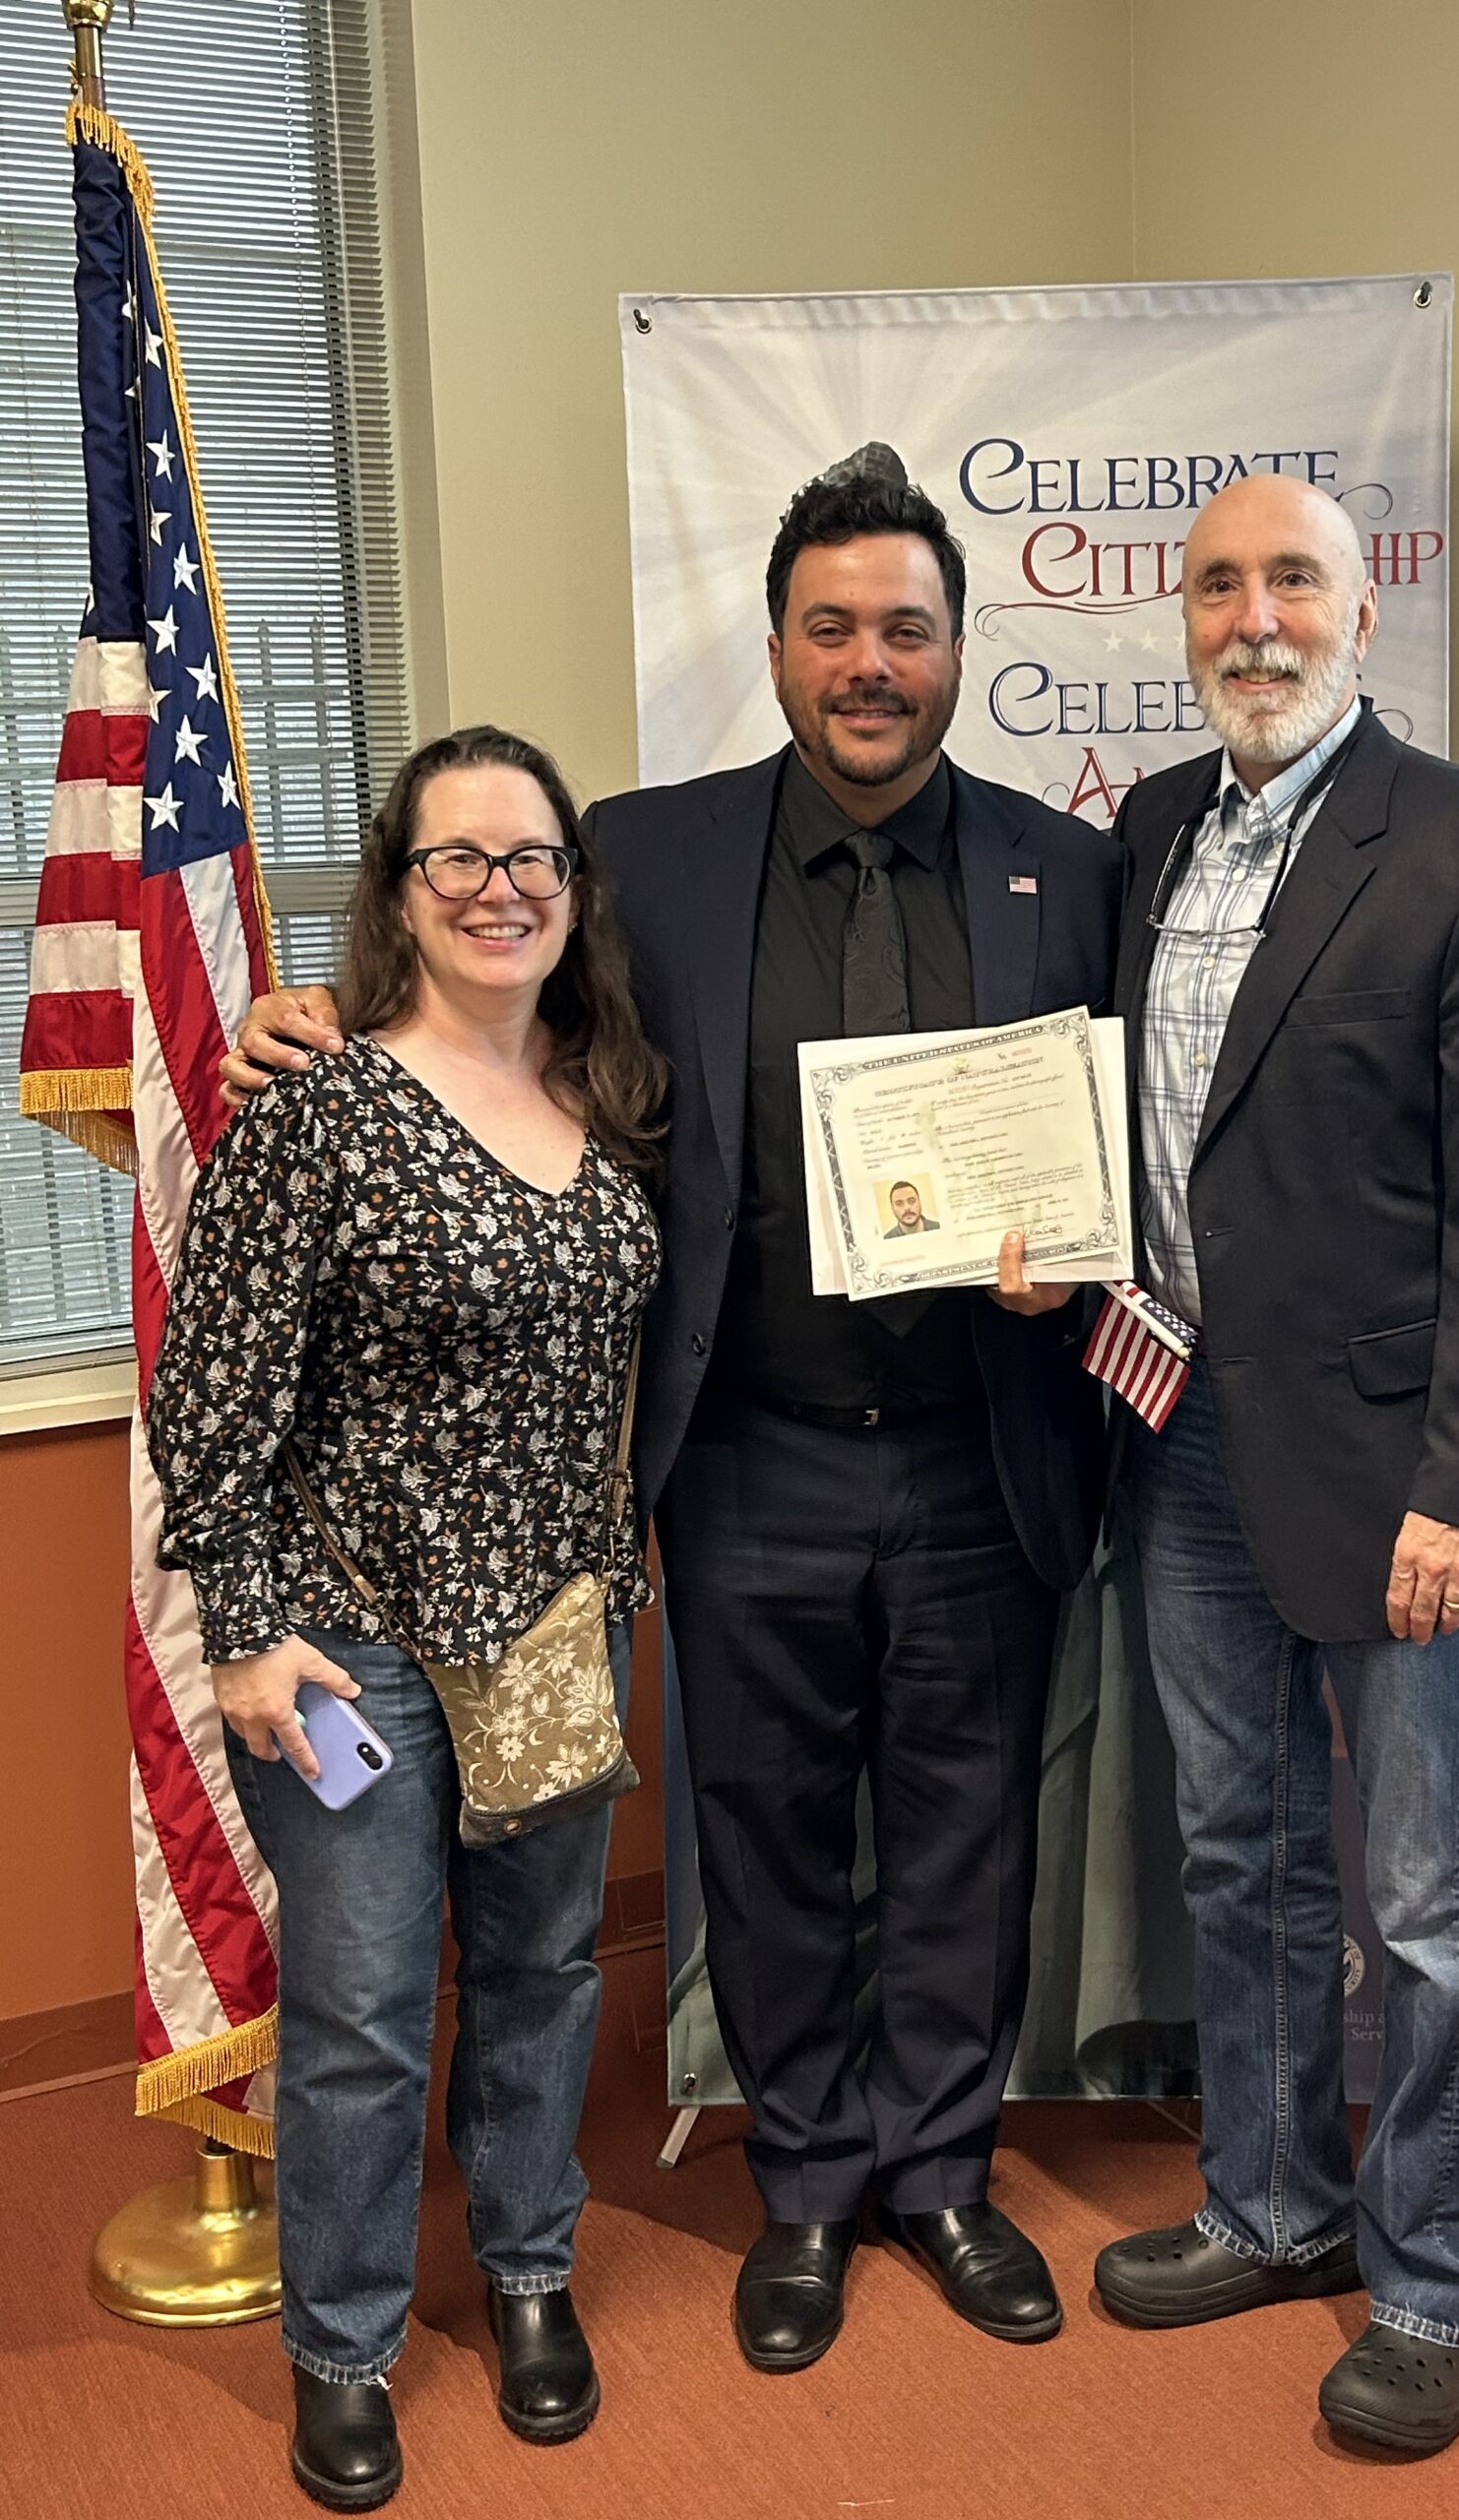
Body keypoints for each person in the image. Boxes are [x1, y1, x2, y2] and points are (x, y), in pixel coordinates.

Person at [221, 447, 1120, 2374]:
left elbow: (1129, 1137)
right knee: (771, 1838)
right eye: (831, 627)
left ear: (959, 648)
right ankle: (806, 2182)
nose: (867, 661)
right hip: (746, 1459)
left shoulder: (1068, 864)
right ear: (778, 646)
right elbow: (485, 1014)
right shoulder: (647, 849)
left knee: (967, 1838)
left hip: (984, 1444)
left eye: (905, 627)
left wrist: (1088, 1259)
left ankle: (944, 2170)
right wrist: (311, 1018)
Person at [998, 475, 1459, 2455]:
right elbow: (1153, 1128)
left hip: (1401, 1473)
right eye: (1218, 586)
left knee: (1425, 1896)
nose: (1252, 620)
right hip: (1178, 1431)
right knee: (1238, 1856)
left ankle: (1434, 2275)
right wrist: (1045, 1239)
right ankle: (1274, 2204)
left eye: (1293, 583)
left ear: (1363, 612)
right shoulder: (1158, 829)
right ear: (1181, 616)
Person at [152, 726, 665, 2511]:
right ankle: (345, 2344)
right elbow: (211, 1397)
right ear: (399, 894)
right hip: (350, 1642)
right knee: (365, 2010)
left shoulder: (612, 1106)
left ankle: (529, 2274)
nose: (501, 888)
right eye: (459, 860)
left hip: (556, 1633)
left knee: (535, 1978)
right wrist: (242, 1628)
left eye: (532, 858)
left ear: (572, 891)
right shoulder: (315, 1105)